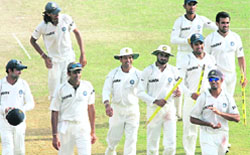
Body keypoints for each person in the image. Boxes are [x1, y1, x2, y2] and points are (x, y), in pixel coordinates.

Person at [30, 1, 87, 100]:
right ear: (48, 14)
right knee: (54, 93)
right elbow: (32, 40)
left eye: (57, 12)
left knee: (69, 87)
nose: (57, 15)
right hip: (54, 61)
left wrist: (83, 53)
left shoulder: (65, 19)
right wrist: (44, 57)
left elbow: (77, 33)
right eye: (54, 13)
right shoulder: (43, 26)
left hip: (68, 58)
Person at [170, 0, 217, 120]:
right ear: (184, 6)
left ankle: (202, 106)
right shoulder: (179, 21)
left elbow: (215, 28)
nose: (192, 7)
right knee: (180, 82)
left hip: (198, 54)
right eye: (189, 4)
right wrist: (188, 41)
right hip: (183, 54)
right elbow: (173, 39)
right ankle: (178, 113)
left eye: (193, 4)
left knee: (196, 80)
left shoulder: (201, 19)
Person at [137, 45, 181, 155]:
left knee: (171, 145)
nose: (163, 58)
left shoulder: (174, 70)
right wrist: (155, 101)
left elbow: (178, 89)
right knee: (152, 146)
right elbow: (140, 92)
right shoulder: (148, 71)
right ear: (157, 55)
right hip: (153, 110)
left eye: (166, 56)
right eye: (161, 55)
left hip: (169, 110)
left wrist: (178, 93)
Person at [179, 33, 216, 155]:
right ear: (191, 45)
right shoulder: (185, 60)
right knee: (189, 128)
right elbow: (179, 81)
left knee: (208, 127)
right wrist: (190, 94)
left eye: (201, 43)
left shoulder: (210, 59)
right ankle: (189, 152)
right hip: (191, 99)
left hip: (207, 98)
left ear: (204, 44)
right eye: (196, 44)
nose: (199, 46)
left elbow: (215, 78)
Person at [50, 62, 96, 155]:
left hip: (83, 126)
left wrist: (93, 131)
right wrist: (55, 135)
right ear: (68, 73)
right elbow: (54, 111)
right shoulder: (60, 89)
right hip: (66, 127)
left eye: (79, 72)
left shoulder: (88, 86)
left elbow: (91, 108)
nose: (77, 75)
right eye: (74, 72)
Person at [190, 69, 240, 155]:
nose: (213, 82)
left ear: (222, 80)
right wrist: (209, 124)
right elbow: (192, 118)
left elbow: (237, 118)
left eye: (216, 79)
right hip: (207, 134)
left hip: (222, 134)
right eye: (210, 79)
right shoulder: (203, 97)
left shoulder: (227, 97)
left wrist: (220, 113)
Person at [102, 47, 141, 155]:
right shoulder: (113, 74)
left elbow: (149, 88)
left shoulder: (138, 74)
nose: (128, 60)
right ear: (120, 59)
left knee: (131, 140)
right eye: (125, 58)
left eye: (130, 57)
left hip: (132, 110)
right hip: (117, 110)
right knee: (113, 140)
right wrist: (107, 105)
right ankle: (110, 151)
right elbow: (106, 90)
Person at [204, 11, 247, 96]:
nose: (225, 25)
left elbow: (240, 57)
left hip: (231, 76)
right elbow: (205, 57)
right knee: (219, 100)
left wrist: (244, 76)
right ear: (217, 23)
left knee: (229, 100)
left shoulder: (235, 37)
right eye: (223, 23)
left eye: (227, 23)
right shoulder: (210, 38)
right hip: (216, 76)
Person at [0, 59, 35, 155]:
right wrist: (4, 110)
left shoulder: (23, 84)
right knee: (7, 149)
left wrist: (21, 110)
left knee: (19, 151)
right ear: (10, 70)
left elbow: (31, 103)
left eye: (21, 70)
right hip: (4, 122)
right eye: (18, 70)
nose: (20, 72)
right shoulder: (1, 84)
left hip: (20, 121)